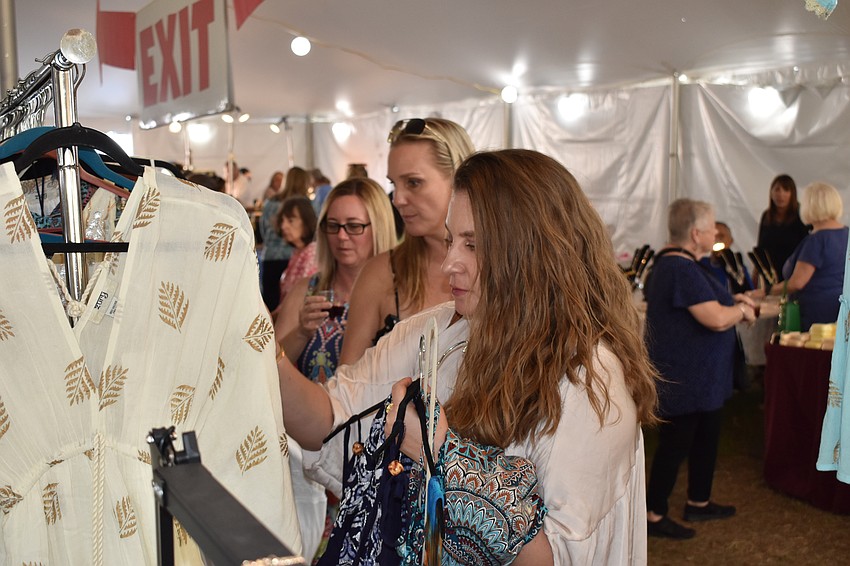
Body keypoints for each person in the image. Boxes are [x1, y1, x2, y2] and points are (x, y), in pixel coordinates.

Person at [277, 149, 660, 564]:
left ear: (534, 252)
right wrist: (262, 348)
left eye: (473, 245)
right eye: (451, 240)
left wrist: (439, 453)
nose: (449, 264)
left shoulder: (588, 379)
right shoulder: (439, 333)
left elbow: (558, 557)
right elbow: (332, 421)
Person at [272, 177, 397, 561]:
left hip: (371, 448)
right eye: (333, 226)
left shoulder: (397, 295)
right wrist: (302, 331)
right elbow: (268, 360)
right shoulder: (310, 289)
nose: (343, 237)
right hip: (307, 448)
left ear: (379, 227)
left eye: (355, 226)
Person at [644, 198, 757, 540]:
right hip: (685, 378)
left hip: (700, 378)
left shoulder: (686, 264)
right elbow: (717, 318)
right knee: (677, 443)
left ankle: (699, 501)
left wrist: (733, 301)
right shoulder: (679, 268)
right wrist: (742, 312)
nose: (715, 233)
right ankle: (653, 513)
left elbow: (711, 303)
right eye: (711, 228)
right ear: (695, 234)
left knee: (706, 437)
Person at [339, 117, 475, 365]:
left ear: (459, 178)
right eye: (394, 184)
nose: (398, 198)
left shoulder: (502, 267)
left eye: (413, 183)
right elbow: (345, 389)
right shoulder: (381, 273)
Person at [768, 181, 848, 330]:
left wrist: (766, 291)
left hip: (817, 314)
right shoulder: (847, 234)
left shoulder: (816, 241)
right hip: (842, 309)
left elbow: (797, 283)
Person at [260, 166, 311, 310]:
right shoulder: (304, 204)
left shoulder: (270, 202)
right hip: (292, 254)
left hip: (270, 255)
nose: (284, 226)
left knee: (270, 303)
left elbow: (263, 229)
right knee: (291, 303)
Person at [757, 174, 810, 281]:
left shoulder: (802, 215)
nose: (781, 195)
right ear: (771, 193)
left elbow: (807, 249)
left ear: (792, 194)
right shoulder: (766, 216)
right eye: (777, 190)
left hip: (794, 274)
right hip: (770, 276)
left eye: (786, 190)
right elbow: (760, 248)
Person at [276, 195, 318, 308]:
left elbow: (299, 301)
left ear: (306, 222)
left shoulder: (311, 254)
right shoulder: (298, 252)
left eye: (290, 220)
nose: (283, 226)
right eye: (282, 221)